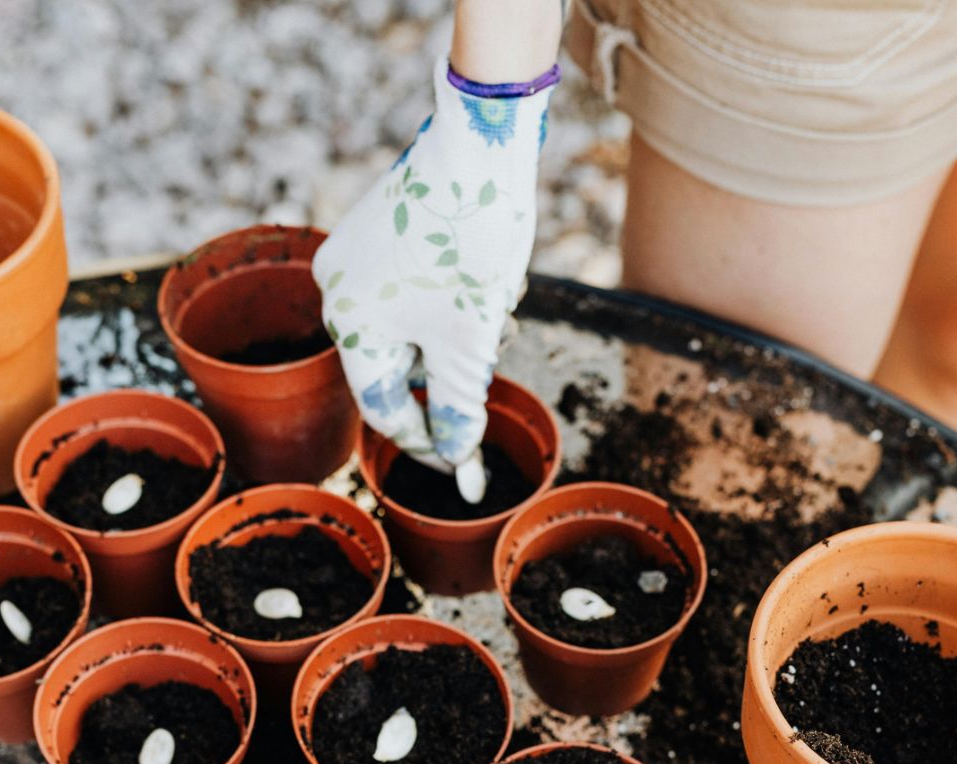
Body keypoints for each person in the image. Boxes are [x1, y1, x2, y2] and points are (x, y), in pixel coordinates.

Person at [314, 0, 957, 500]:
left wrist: (491, 116)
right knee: (724, 455)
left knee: (940, 350)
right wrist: (488, 111)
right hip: (830, 28)